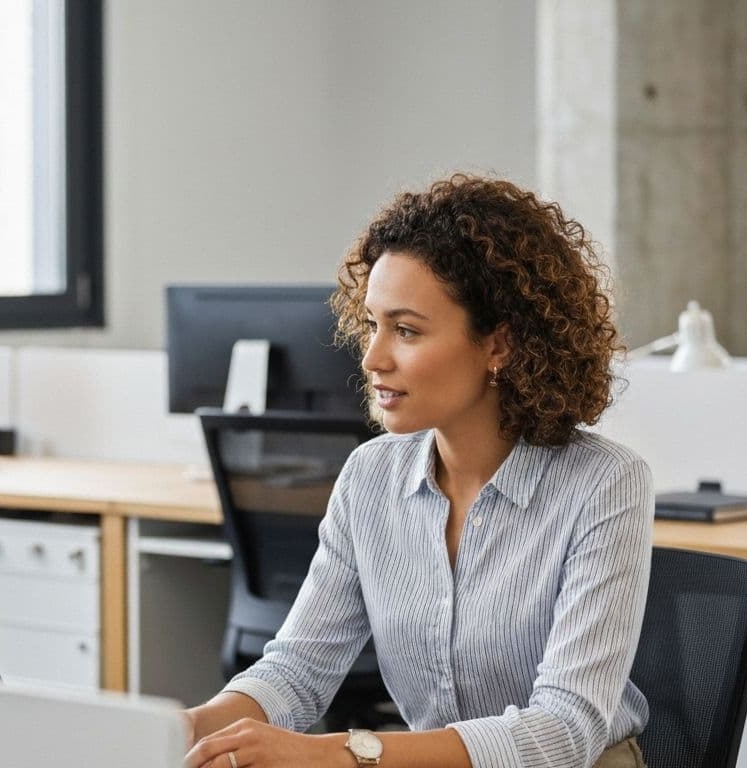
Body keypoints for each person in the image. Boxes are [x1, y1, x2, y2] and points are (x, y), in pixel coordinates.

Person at [184, 174, 653, 768]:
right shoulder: (370, 476)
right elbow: (297, 670)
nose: (372, 358)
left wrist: (344, 754)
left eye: (406, 330)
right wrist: (186, 728)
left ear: (500, 345)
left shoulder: (605, 484)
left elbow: (563, 731)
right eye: (372, 325)